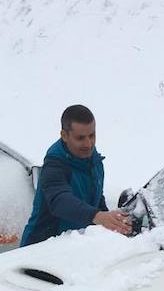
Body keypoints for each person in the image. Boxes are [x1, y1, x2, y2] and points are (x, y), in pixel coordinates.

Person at [20, 105, 133, 247]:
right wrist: (97, 216)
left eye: (92, 135)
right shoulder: (54, 165)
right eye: (80, 138)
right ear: (64, 135)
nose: (88, 143)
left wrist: (110, 220)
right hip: (41, 251)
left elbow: (95, 199)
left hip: (77, 248)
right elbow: (59, 200)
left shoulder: (94, 161)